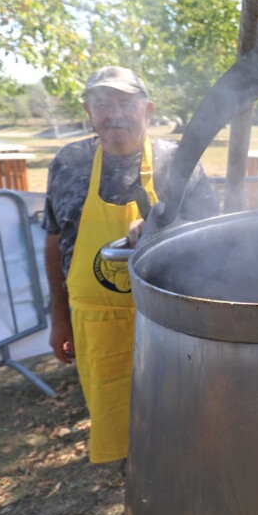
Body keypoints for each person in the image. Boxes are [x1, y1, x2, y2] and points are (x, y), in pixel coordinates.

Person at [44, 66, 217, 465]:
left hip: (169, 323)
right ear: (88, 112)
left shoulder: (179, 161)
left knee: (180, 428)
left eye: (125, 102)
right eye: (102, 104)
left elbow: (214, 236)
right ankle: (134, 499)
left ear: (149, 109)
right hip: (98, 328)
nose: (114, 113)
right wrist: (58, 315)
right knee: (123, 438)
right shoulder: (67, 163)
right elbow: (55, 241)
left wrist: (166, 227)